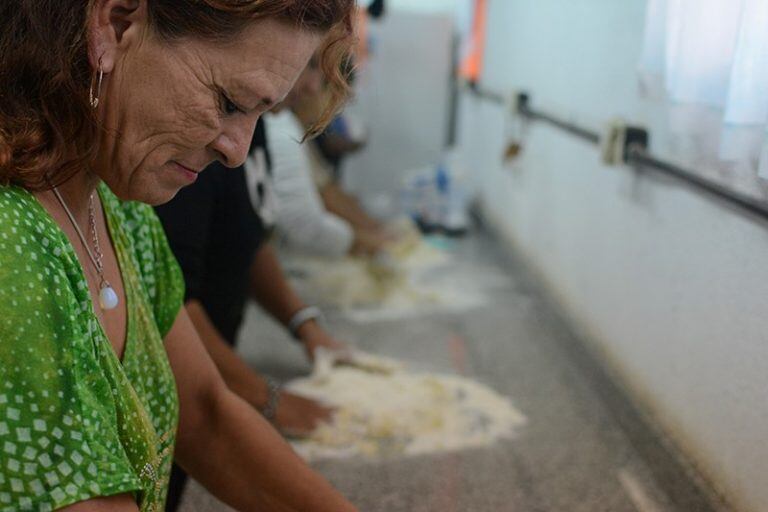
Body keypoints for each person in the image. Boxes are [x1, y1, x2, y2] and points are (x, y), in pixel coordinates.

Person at [0, 1, 358, 511]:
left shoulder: (120, 217)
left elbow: (207, 417)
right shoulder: (11, 244)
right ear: (116, 26)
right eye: (231, 103)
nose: (238, 150)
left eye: (262, 113)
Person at [267, 58, 387, 258]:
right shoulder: (282, 130)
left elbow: (326, 187)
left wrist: (375, 228)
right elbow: (305, 223)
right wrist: (366, 242)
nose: (334, 111)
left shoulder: (297, 129)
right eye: (334, 97)